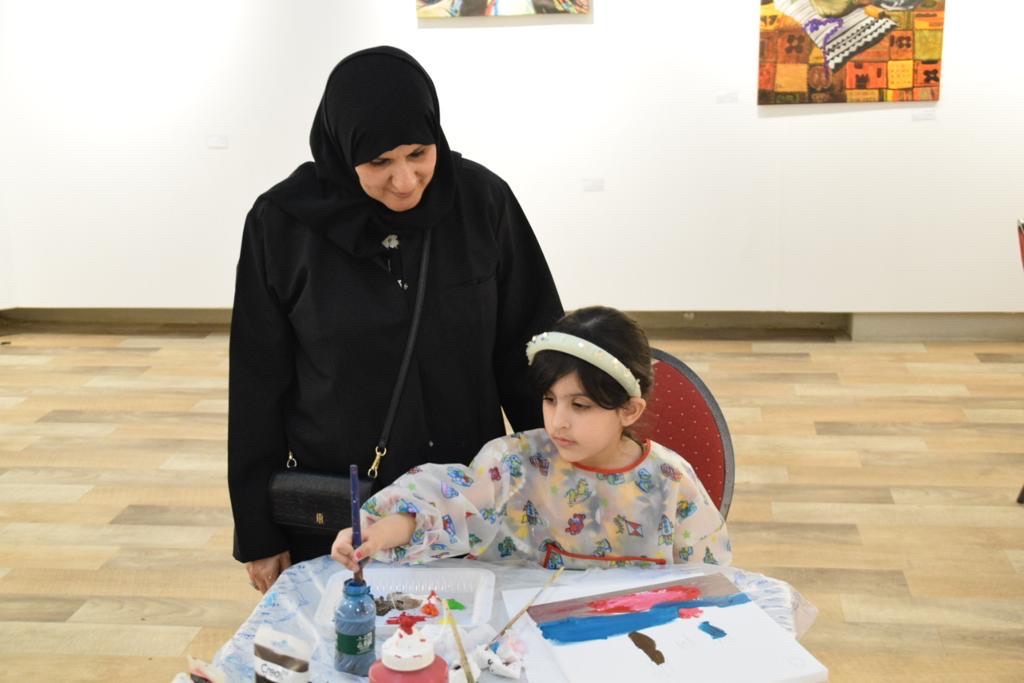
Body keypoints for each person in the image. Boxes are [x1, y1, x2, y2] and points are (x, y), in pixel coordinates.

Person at [229, 46, 563, 592]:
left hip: (466, 503)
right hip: (340, 515)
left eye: (418, 153)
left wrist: (556, 485)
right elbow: (256, 386)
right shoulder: (282, 225)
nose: (405, 180)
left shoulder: (482, 202)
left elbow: (530, 355)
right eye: (379, 162)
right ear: (343, 151)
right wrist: (258, 532)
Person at [331, 307, 731, 571]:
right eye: (549, 400)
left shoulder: (670, 482)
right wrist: (376, 534)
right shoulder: (514, 464)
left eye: (580, 405)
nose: (558, 422)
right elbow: (441, 507)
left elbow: (708, 581)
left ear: (629, 410)